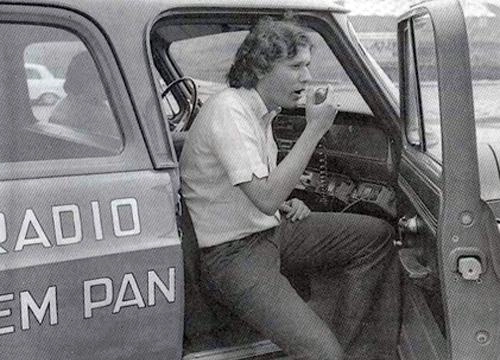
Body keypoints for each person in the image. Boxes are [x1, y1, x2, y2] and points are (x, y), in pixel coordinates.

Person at [180, 17, 401, 360]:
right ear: (261, 68)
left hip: (267, 231)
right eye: (296, 66)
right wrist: (314, 129)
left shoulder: (261, 112)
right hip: (233, 254)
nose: (307, 77)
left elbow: (256, 192)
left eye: (307, 66)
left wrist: (286, 201)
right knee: (322, 354)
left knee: (376, 237)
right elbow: (266, 197)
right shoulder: (229, 111)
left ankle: (350, 350)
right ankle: (328, 352)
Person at [49, 51, 120, 138]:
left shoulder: (64, 104)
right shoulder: (98, 115)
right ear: (88, 82)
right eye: (103, 78)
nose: (109, 83)